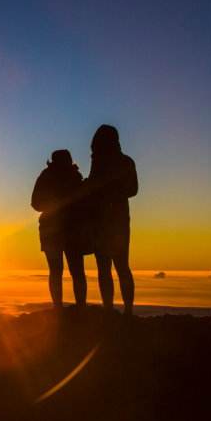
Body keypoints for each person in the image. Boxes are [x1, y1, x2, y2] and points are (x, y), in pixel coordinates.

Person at [85, 125, 138, 315]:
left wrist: (105, 191)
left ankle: (121, 310)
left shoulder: (114, 163)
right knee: (115, 267)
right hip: (113, 221)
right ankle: (121, 310)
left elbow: (132, 189)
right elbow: (132, 189)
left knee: (112, 267)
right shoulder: (121, 162)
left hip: (111, 221)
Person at [31, 150, 89, 308]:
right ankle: (66, 308)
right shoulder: (57, 177)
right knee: (64, 271)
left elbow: (35, 203)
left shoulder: (71, 176)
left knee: (70, 271)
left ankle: (77, 307)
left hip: (68, 230)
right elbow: (35, 203)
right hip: (57, 231)